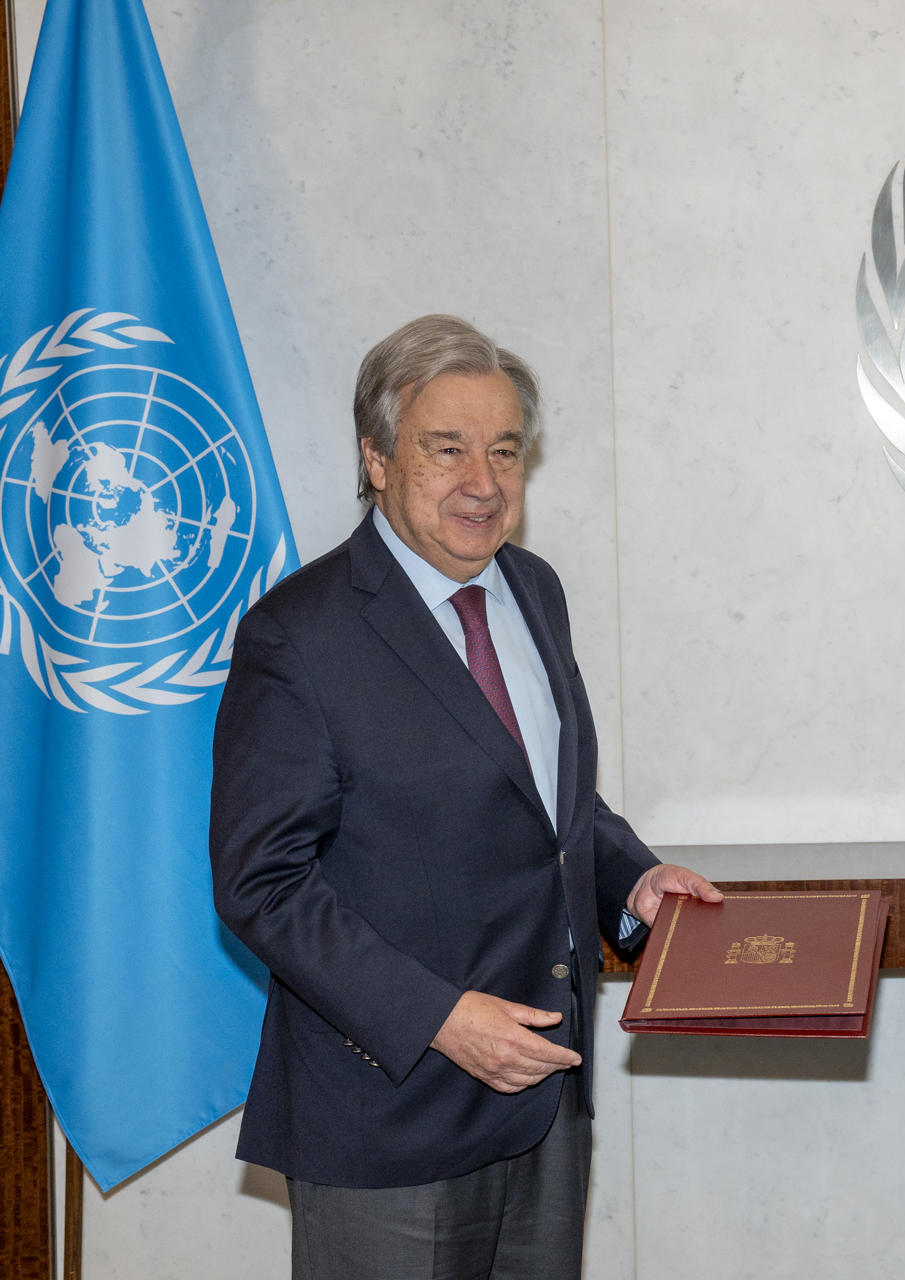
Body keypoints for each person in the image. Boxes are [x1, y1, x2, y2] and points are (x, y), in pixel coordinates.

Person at [211, 314, 720, 1280]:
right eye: (446, 450)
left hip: (546, 1100)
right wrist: (441, 1017)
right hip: (389, 1112)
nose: (482, 484)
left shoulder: (535, 589)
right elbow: (260, 884)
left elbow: (548, 802)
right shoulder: (298, 636)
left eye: (504, 450)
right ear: (376, 458)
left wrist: (634, 884)